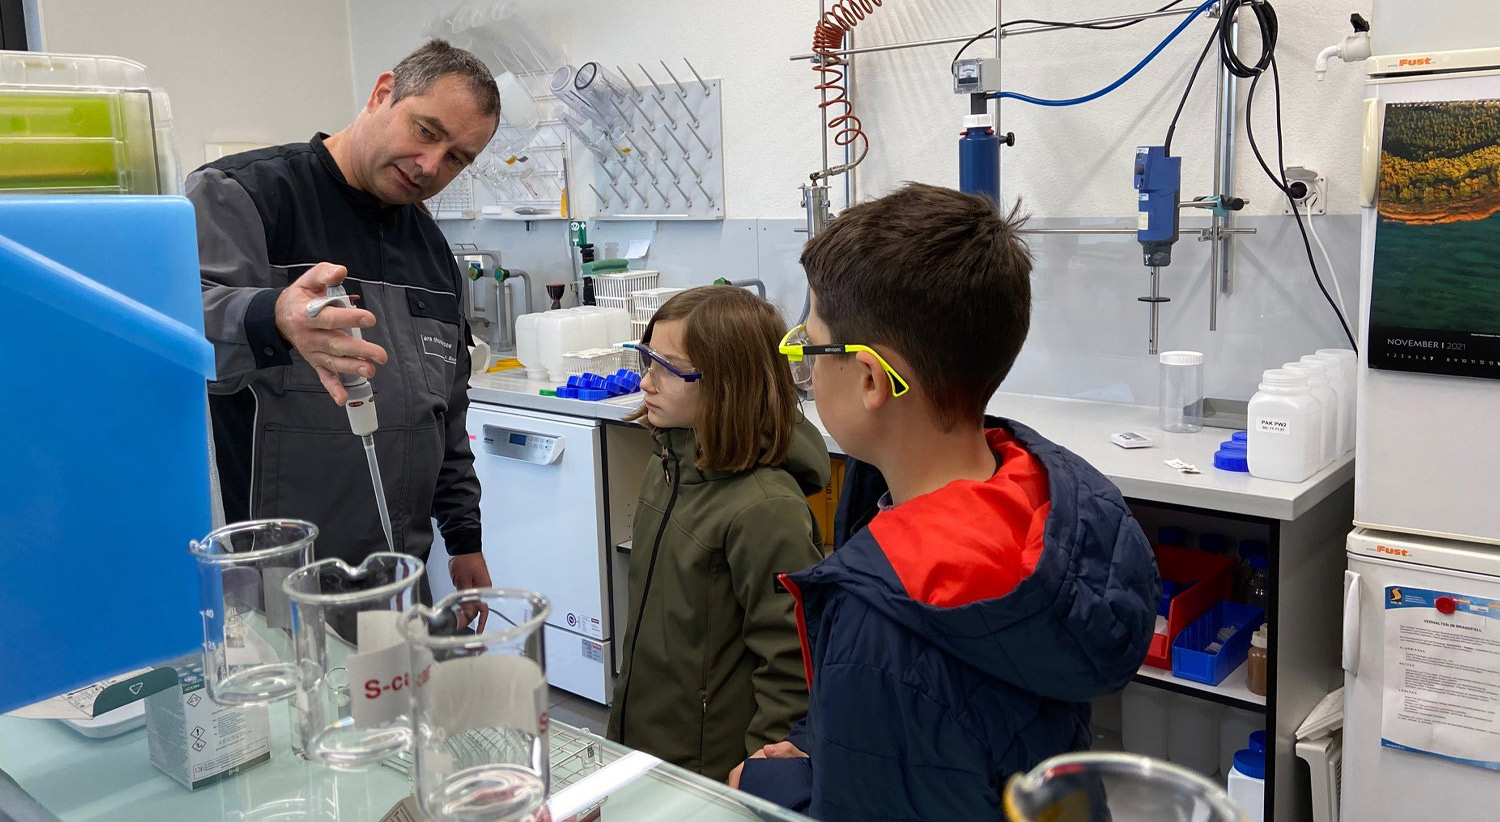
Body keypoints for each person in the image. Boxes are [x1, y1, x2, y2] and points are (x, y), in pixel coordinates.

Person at [731, 183, 1160, 819]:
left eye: (811, 345)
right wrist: (822, 744)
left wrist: (769, 791)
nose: (805, 363)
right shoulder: (1040, 503)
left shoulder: (882, 624)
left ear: (872, 378)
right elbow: (956, 741)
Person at [190, 40, 498, 602]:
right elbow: (183, 331)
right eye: (426, 131)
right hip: (276, 578)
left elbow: (446, 413)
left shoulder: (431, 249)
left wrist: (464, 536)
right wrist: (273, 315)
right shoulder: (245, 195)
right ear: (382, 94)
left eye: (458, 158)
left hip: (398, 575)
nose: (432, 166)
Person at [606, 286, 830, 782]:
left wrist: (755, 783)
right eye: (647, 358)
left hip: (711, 773)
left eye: (669, 367)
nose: (647, 381)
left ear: (730, 384)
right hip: (644, 743)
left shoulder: (765, 509)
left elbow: (791, 667)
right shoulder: (668, 466)